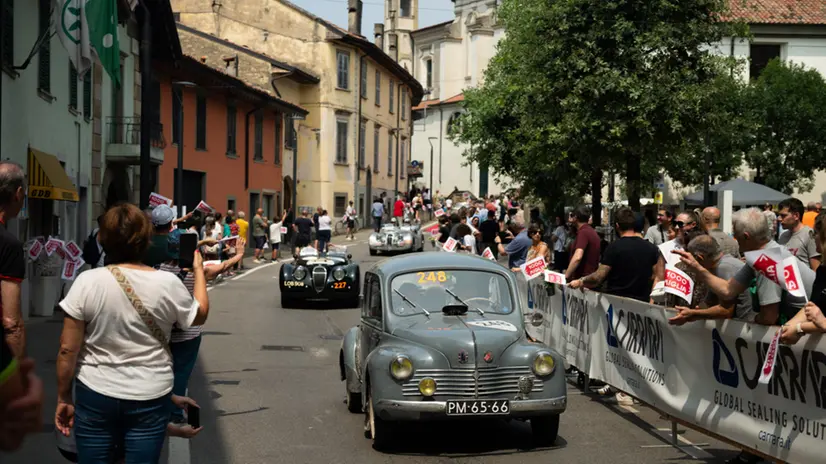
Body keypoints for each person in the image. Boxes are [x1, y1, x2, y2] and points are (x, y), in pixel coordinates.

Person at [55, 203, 210, 462]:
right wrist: (197, 269)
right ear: (146, 239)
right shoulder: (167, 283)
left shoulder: (87, 282)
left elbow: (67, 349)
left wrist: (63, 396)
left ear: (103, 239)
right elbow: (199, 314)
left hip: (96, 391)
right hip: (149, 393)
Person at [674, 208, 815, 326]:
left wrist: (750, 322)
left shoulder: (767, 259)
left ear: (746, 236)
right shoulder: (761, 255)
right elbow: (728, 290)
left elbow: (769, 317)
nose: (735, 239)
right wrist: (697, 267)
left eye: (736, 235)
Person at [569, 207, 659, 302]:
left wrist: (581, 281)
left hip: (616, 304)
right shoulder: (651, 248)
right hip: (642, 305)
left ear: (617, 226)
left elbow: (598, 277)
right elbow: (656, 277)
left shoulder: (614, 247)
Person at [668, 235, 755, 325]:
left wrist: (693, 313)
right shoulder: (716, 267)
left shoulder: (724, 268)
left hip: (745, 328)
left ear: (699, 258)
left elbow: (726, 311)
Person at [777, 198, 820, 271]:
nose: (779, 219)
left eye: (783, 215)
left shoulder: (810, 235)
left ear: (796, 216)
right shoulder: (783, 236)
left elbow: (816, 270)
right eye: (779, 215)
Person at [564, 206, 601, 284]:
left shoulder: (583, 233)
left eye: (572, 215)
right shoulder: (591, 231)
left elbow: (578, 257)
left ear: (575, 217)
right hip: (588, 280)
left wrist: (566, 276)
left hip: (582, 283)